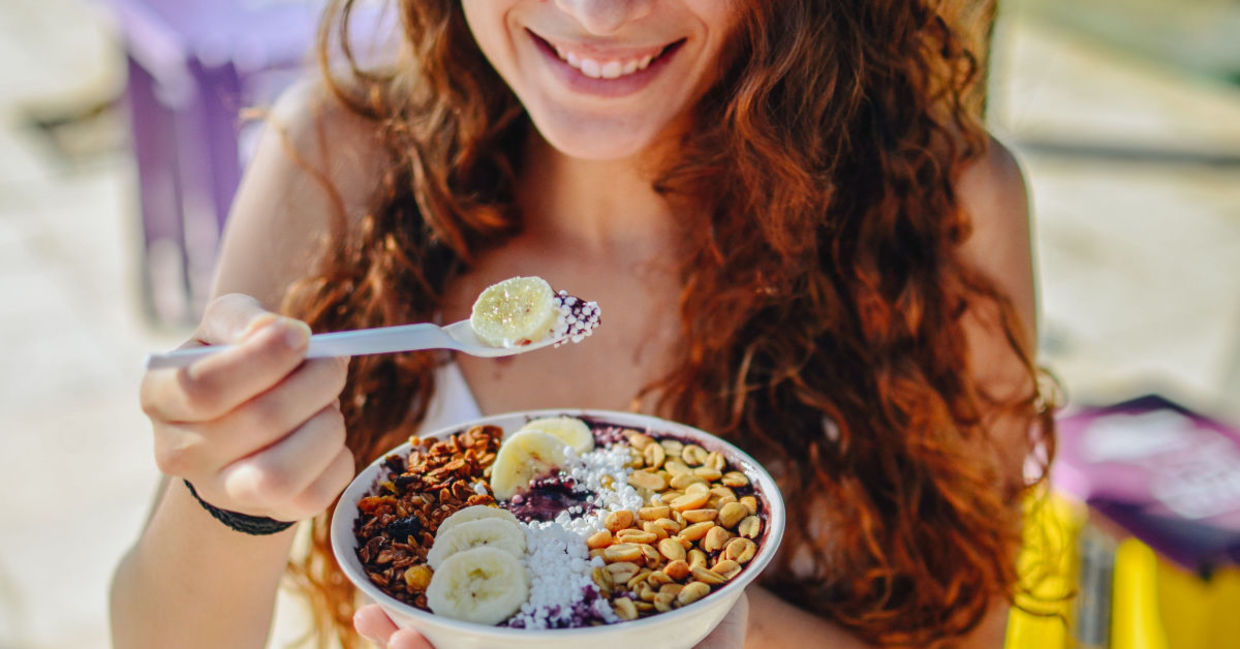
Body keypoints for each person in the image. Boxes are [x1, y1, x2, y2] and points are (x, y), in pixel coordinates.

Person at [110, 1, 1057, 647]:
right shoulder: (340, 160)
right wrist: (229, 494)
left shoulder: (943, 208)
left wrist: (701, 620)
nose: (599, 14)